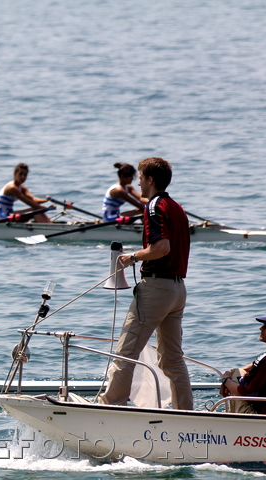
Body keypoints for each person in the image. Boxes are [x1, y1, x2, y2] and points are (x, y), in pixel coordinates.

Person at [98, 157, 193, 410]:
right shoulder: (176, 207)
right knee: (172, 360)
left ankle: (111, 406)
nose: (138, 181)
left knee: (125, 353)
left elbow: (161, 248)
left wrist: (132, 257)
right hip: (177, 289)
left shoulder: (153, 207)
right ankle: (185, 412)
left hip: (157, 289)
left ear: (150, 180)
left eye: (140, 177)